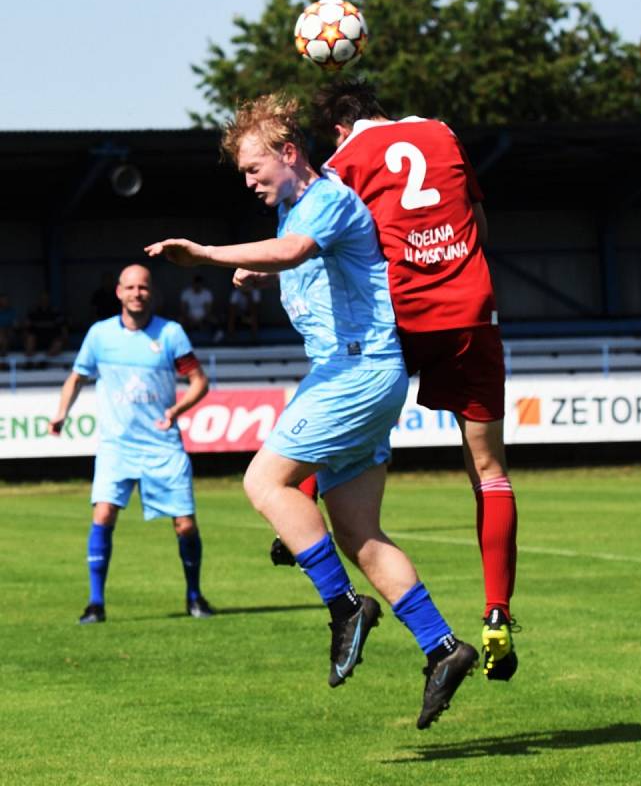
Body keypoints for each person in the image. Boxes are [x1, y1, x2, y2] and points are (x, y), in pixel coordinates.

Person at [144, 93, 477, 729]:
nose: (248, 181)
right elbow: (317, 264)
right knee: (360, 535)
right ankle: (442, 645)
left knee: (263, 481)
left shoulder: (322, 198)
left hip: (354, 372)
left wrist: (216, 255)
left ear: (288, 153)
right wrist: (260, 273)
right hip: (360, 372)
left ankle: (345, 607)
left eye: (253, 168)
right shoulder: (299, 207)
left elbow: (299, 251)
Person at [311, 79, 519, 681]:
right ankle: (498, 610)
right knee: (489, 469)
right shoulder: (442, 132)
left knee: (336, 411)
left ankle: (301, 515)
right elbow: (478, 217)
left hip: (400, 319)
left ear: (339, 127)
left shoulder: (341, 162)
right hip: (472, 309)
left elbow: (335, 246)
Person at [48, 264, 214, 624]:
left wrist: (176, 408)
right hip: (116, 445)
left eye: (143, 287)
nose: (137, 293)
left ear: (151, 292)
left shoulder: (171, 334)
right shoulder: (99, 335)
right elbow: (76, 378)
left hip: (162, 444)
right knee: (103, 514)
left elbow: (200, 382)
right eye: (130, 287)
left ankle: (194, 596)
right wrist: (62, 412)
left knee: (185, 524)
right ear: (119, 292)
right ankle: (95, 604)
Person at [23, 291, 68, 367]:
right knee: (30, 338)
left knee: (58, 343)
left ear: (49, 300)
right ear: (39, 300)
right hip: (37, 339)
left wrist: (65, 339)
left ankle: (43, 362)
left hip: (51, 339)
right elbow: (26, 327)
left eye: (46, 299)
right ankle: (29, 363)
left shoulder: (55, 312)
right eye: (42, 299)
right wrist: (24, 338)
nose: (44, 301)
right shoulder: (33, 312)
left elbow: (63, 328)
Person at [179, 274, 221, 340]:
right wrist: (190, 319)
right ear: (193, 283)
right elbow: (183, 309)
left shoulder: (207, 293)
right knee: (180, 322)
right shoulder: (186, 293)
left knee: (214, 321)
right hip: (189, 317)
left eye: (199, 284)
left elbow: (208, 310)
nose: (197, 286)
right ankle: (181, 339)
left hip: (204, 317)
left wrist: (201, 320)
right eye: (196, 283)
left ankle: (216, 339)